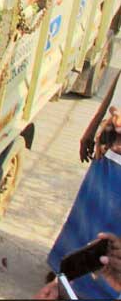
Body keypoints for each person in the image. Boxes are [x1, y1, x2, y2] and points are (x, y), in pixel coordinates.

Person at [45, 72, 121, 299]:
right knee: (87, 229)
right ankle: (65, 281)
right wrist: (96, 123)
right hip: (109, 153)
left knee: (110, 252)